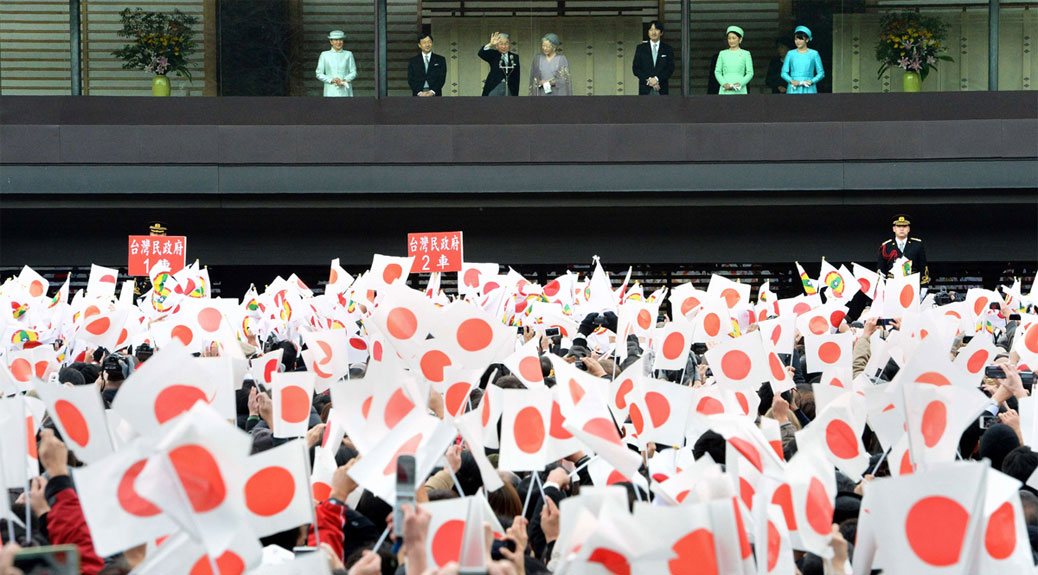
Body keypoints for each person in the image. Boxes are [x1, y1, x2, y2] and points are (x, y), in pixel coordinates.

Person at [877, 214, 930, 285]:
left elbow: (923, 267)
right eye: (898, 226)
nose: (901, 229)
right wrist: (881, 286)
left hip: (911, 284)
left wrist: (924, 285)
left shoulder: (917, 245)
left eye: (904, 226)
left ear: (908, 229)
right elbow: (881, 269)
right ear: (894, 229)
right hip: (892, 284)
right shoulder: (886, 246)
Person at [632, 20, 674, 95]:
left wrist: (657, 79)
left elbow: (670, 68)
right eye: (651, 30)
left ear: (661, 33)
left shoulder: (667, 49)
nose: (653, 32)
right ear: (648, 32)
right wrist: (649, 81)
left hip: (661, 88)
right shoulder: (641, 48)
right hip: (645, 89)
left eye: (656, 29)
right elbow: (636, 68)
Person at [781, 25, 825, 94]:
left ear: (807, 40)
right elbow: (783, 72)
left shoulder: (814, 54)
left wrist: (811, 81)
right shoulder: (790, 54)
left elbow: (821, 73)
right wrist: (791, 81)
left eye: (800, 39)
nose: (798, 41)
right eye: (796, 39)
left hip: (809, 87)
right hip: (794, 87)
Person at [315, 30, 357, 97]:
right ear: (331, 41)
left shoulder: (348, 54)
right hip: (330, 91)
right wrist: (331, 80)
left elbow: (353, 72)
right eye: (335, 40)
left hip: (345, 90)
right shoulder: (324, 55)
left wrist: (344, 80)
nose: (338, 42)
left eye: (340, 40)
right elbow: (319, 73)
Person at [479, 32, 520, 97]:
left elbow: (516, 76)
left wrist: (515, 93)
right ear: (496, 45)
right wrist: (490, 44)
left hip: (510, 88)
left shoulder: (514, 57)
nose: (504, 46)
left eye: (506, 43)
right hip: (494, 86)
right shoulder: (493, 54)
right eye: (501, 44)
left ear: (509, 44)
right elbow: (481, 53)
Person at [715, 25, 753, 95]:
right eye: (729, 38)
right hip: (725, 89)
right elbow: (717, 72)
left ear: (740, 39)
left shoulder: (746, 54)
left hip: (740, 89)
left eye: (734, 38)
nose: (731, 41)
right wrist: (724, 83)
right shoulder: (722, 53)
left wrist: (740, 83)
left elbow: (750, 73)